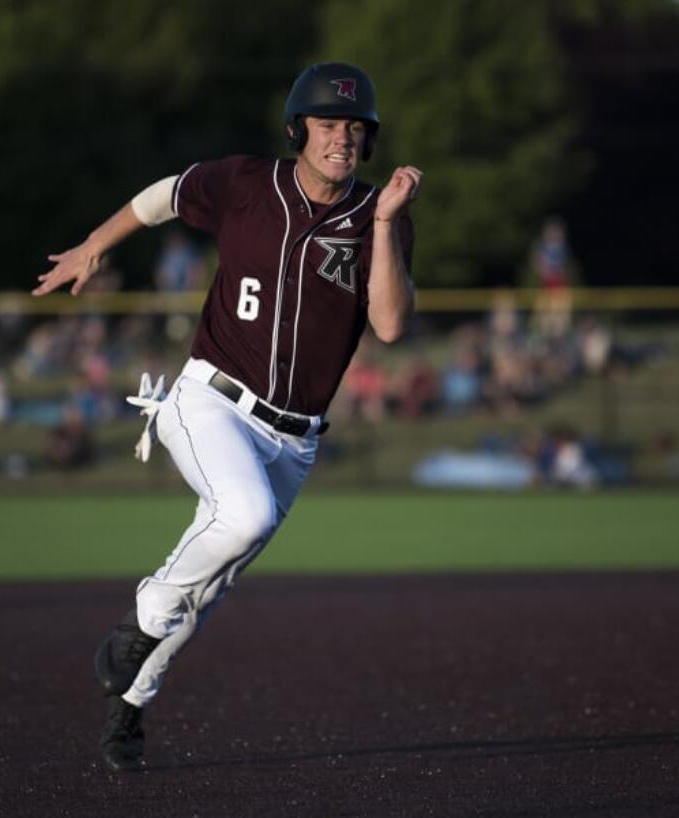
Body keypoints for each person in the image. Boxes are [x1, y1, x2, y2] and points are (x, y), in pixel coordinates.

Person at [32, 62, 420, 771]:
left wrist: (389, 223)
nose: (343, 138)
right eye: (329, 124)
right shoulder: (246, 183)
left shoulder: (376, 217)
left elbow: (390, 326)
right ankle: (144, 616)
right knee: (243, 518)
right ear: (298, 128)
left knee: (212, 585)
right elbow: (162, 198)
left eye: (356, 128)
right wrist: (94, 244)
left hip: (294, 441)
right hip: (208, 400)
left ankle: (130, 705)